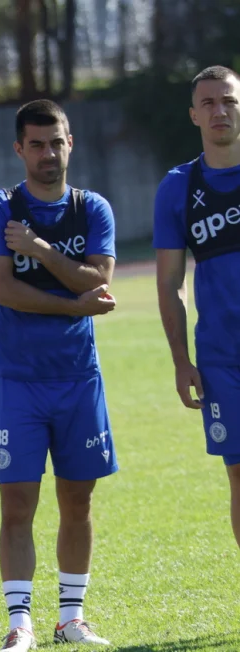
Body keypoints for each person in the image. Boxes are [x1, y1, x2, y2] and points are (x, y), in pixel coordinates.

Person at [0, 99, 119, 651]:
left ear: (70, 142)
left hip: (79, 378)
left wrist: (38, 248)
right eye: (35, 144)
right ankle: (20, 625)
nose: (47, 154)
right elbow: (1, 288)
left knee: (78, 502)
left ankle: (71, 618)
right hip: (18, 381)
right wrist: (72, 302)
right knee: (17, 505)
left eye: (55, 142)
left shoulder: (92, 209)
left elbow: (97, 279)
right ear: (19, 149)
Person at [153, 64, 240, 550]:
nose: (220, 110)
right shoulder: (179, 188)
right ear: (193, 115)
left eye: (228, 100)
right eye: (208, 103)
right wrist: (181, 360)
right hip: (222, 360)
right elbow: (169, 284)